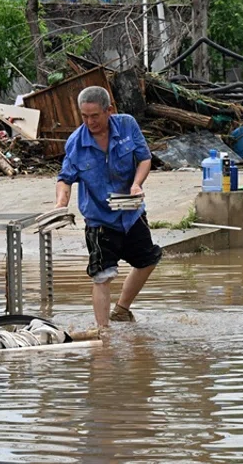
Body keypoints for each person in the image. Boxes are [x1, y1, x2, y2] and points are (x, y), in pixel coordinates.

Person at [55, 86, 162, 327]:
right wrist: (61, 204)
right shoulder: (76, 143)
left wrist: (136, 184)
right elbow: (65, 178)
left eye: (95, 116)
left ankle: (122, 309)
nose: (90, 122)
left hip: (131, 212)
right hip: (99, 219)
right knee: (102, 275)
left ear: (109, 111)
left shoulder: (127, 125)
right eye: (84, 116)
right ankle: (103, 333)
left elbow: (144, 158)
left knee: (148, 259)